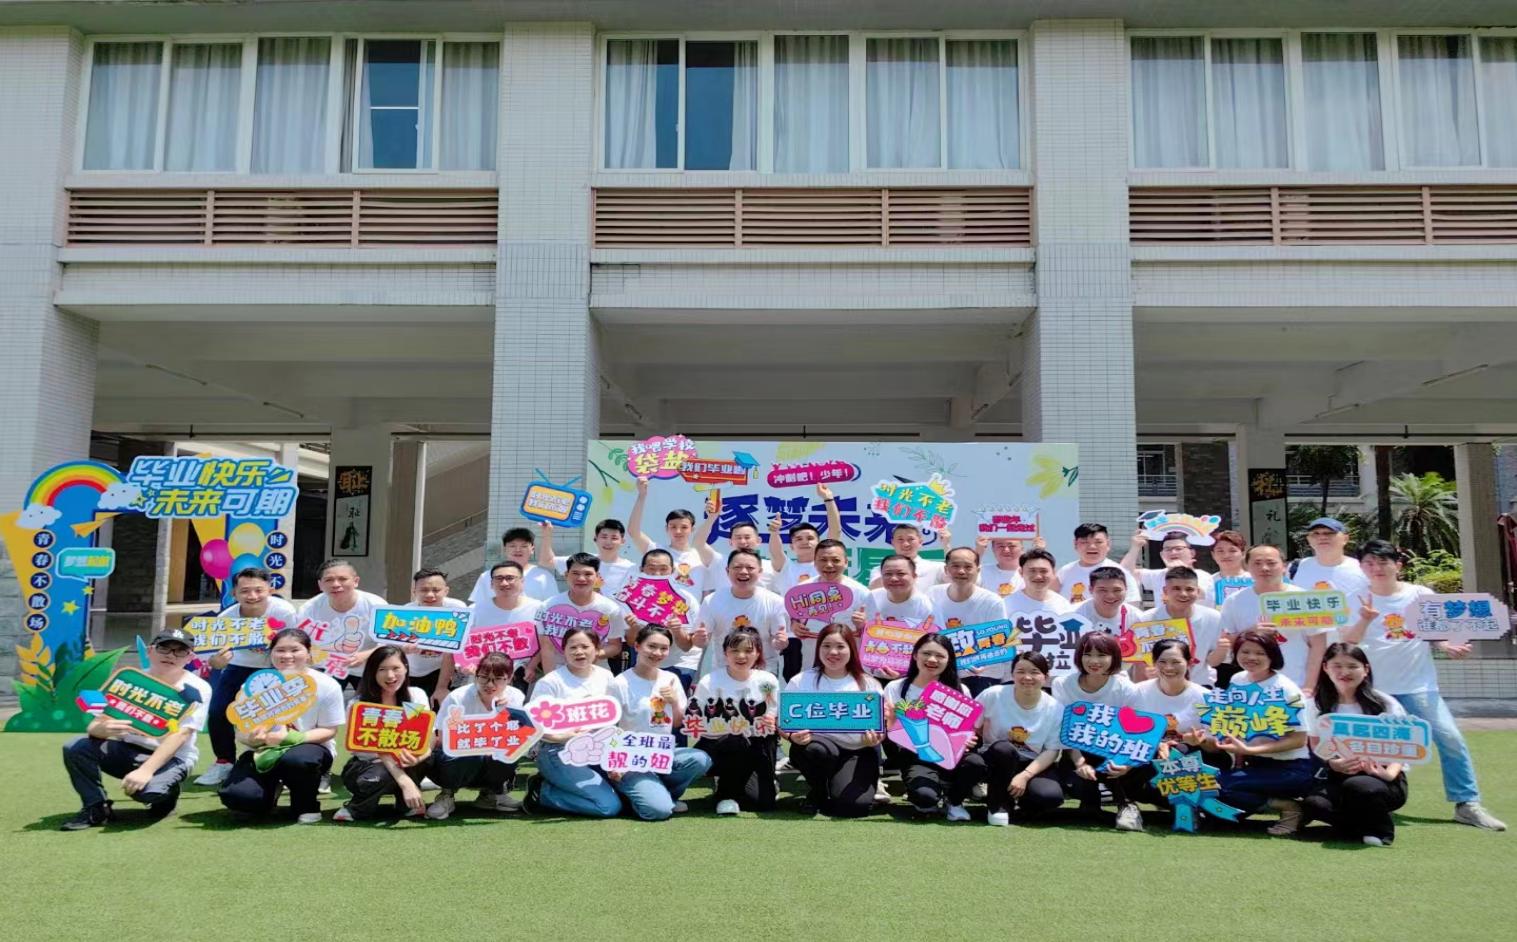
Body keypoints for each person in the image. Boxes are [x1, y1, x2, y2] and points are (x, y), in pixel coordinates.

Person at [1340, 540, 1505, 830]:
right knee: (1365, 747)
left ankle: (1467, 804)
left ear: (1398, 565)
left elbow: (1435, 632)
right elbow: (1348, 642)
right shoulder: (1354, 598)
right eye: (1369, 563)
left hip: (1418, 687)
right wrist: (1365, 619)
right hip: (1373, 690)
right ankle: (1364, 803)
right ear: (1362, 567)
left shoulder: (1420, 595)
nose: (1376, 568)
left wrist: (1447, 646)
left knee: (1450, 738)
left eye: (1383, 562)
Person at [60, 627, 211, 830]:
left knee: (148, 793)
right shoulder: (128, 680)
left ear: (190, 657)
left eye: (180, 651)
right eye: (164, 648)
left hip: (173, 757)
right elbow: (94, 726)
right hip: (128, 750)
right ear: (150, 651)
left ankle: (167, 795)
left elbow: (181, 735)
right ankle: (96, 807)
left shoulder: (197, 688)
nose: (171, 655)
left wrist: (146, 771)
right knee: (75, 747)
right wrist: (104, 729)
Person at [219, 627, 345, 824]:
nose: (287, 656)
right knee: (238, 797)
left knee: (297, 760)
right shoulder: (255, 684)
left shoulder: (327, 685)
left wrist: (291, 738)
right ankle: (269, 793)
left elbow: (329, 730)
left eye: (295, 650)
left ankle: (306, 805)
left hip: (309, 748)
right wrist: (252, 738)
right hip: (263, 751)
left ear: (309, 653)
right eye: (280, 650)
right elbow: (242, 730)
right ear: (271, 654)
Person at [1202, 630, 1313, 836]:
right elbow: (1238, 723)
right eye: (1245, 652)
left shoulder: (1287, 690)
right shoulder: (1238, 679)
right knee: (1207, 793)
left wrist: (1250, 750)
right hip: (1254, 765)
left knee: (1219, 786)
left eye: (1260, 653)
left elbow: (1299, 740)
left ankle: (1290, 808)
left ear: (1272, 656)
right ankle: (1274, 802)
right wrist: (1238, 757)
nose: (1251, 657)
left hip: (1291, 768)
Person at [195, 567, 299, 787]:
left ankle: (286, 762)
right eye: (245, 591)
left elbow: (297, 645)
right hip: (238, 666)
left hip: (276, 668)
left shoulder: (285, 612)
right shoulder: (226, 618)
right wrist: (217, 662)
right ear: (234, 593)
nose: (252, 596)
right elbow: (211, 659)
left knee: (284, 714)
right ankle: (224, 761)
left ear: (270, 589)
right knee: (218, 710)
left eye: (258, 590)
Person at [1301, 643, 1410, 846]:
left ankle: (1381, 833)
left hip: (1382, 777)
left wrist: (1388, 774)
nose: (1345, 672)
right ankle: (1356, 828)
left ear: (1365, 669)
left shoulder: (1385, 703)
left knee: (1359, 786)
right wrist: (1332, 763)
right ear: (1325, 668)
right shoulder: (1315, 705)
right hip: (1338, 775)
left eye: (1352, 666)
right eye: (1337, 666)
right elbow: (1315, 744)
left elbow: (1403, 745)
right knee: (1314, 804)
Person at [606, 624, 713, 820]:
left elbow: (677, 723)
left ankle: (664, 794)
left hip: (661, 754)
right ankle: (633, 796)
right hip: (631, 760)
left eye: (664, 648)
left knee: (700, 759)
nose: (657, 653)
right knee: (658, 811)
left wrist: (674, 702)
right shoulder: (619, 683)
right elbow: (610, 728)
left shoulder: (671, 679)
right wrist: (616, 763)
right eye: (652, 646)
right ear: (637, 646)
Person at [784, 624, 886, 818]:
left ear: (851, 649)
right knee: (814, 750)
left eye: (840, 646)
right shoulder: (801, 681)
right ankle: (818, 791)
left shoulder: (869, 683)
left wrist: (875, 738)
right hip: (820, 748)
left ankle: (837, 786)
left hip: (858, 751)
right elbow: (784, 722)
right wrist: (791, 735)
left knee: (854, 807)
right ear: (818, 648)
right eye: (826, 646)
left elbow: (880, 727)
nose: (833, 652)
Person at [523, 627, 621, 818]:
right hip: (559, 751)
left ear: (596, 649)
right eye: (573, 647)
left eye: (585, 646)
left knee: (627, 798)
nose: (579, 652)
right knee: (608, 807)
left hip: (598, 749)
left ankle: (558, 787)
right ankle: (542, 793)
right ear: (564, 650)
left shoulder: (606, 677)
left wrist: (615, 756)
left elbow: (614, 720)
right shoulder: (551, 682)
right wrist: (562, 736)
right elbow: (532, 725)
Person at [1052, 633, 1144, 831]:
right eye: (1088, 654)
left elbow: (1135, 733)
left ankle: (1127, 805)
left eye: (1102, 655)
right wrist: (1080, 762)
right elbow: (1063, 729)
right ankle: (1091, 801)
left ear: (1114, 657)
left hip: (1114, 754)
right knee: (1079, 785)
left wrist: (1126, 765)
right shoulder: (1062, 684)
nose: (1094, 661)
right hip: (1076, 753)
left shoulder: (1126, 689)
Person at [963, 651, 1066, 826]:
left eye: (1034, 672)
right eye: (1020, 671)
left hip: (1031, 763)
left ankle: (1023, 802)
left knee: (1049, 796)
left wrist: (1025, 776)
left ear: (1046, 677)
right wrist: (969, 738)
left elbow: (1052, 750)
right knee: (1003, 749)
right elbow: (968, 724)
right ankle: (998, 804)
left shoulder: (1055, 708)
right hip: (996, 758)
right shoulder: (993, 694)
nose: (1027, 677)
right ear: (1012, 674)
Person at [882, 632, 977, 819]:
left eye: (940, 656)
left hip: (950, 754)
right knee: (925, 798)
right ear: (915, 655)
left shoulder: (960, 690)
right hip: (915, 755)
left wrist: (969, 739)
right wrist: (891, 720)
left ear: (949, 660)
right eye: (926, 653)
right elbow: (891, 731)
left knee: (976, 763)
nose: (932, 660)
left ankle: (954, 800)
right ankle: (927, 792)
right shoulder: (896, 688)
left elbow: (967, 730)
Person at [689, 626, 781, 815]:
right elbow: (697, 719)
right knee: (736, 740)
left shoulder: (768, 681)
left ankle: (766, 781)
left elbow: (773, 713)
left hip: (756, 745)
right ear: (725, 653)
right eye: (734, 650)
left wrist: (771, 721)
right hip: (719, 744)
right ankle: (725, 794)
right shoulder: (709, 681)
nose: (741, 656)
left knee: (763, 803)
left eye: (748, 650)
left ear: (758, 653)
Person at [333, 645, 431, 822]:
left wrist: (417, 759)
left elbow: (427, 740)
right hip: (368, 765)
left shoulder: (416, 696)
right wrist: (404, 781)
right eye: (382, 669)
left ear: (406, 668)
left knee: (428, 759)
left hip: (406, 761)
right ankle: (358, 808)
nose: (390, 676)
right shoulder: (359, 704)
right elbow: (376, 748)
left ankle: (406, 804)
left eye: (396, 668)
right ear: (372, 672)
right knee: (383, 773)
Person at [427, 651, 526, 819]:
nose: (490, 684)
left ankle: (492, 793)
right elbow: (443, 739)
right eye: (484, 677)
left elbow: (517, 736)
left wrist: (504, 712)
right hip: (459, 756)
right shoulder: (457, 697)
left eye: (498, 679)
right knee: (458, 755)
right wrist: (476, 747)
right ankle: (447, 794)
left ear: (509, 678)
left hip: (491, 755)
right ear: (476, 676)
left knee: (509, 752)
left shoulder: (515, 697)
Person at [1218, 544, 1327, 693]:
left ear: (1284, 566)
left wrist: (1310, 685)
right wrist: (1251, 632)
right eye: (1257, 563)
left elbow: (1318, 645)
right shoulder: (1234, 601)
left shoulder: (1304, 598)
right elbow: (1226, 643)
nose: (1264, 568)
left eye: (1271, 563)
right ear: (1247, 566)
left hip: (1297, 683)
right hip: (1252, 686)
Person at [679, 549, 788, 675]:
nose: (743, 572)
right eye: (737, 567)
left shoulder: (776, 601)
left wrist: (781, 642)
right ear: (727, 571)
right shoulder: (712, 600)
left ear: (760, 572)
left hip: (763, 672)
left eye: (750, 568)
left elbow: (777, 642)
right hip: (723, 672)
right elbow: (700, 642)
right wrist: (699, 639)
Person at [1128, 638, 1209, 809]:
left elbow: (1217, 747)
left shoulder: (1204, 696)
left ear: (1189, 663)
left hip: (1190, 756)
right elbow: (1128, 732)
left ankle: (1185, 805)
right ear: (1154, 663)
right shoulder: (1138, 692)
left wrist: (1200, 741)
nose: (1169, 668)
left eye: (1176, 662)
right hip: (1150, 754)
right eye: (1162, 662)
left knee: (1182, 753)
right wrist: (1158, 745)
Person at [289, 558, 389, 688]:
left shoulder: (376, 605)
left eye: (342, 579)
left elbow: (389, 641)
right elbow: (301, 642)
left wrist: (367, 655)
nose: (336, 584)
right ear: (320, 585)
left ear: (355, 581)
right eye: (329, 580)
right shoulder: (309, 609)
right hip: (328, 666)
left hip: (368, 665)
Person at [927, 547, 1012, 695]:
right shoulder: (933, 594)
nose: (961, 571)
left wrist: (980, 663)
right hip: (942, 671)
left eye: (968, 567)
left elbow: (1000, 642)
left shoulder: (992, 601)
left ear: (978, 570)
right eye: (955, 566)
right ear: (946, 570)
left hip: (982, 674)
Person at [786, 538, 868, 680]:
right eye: (823, 560)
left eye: (835, 560)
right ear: (815, 562)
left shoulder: (862, 593)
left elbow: (873, 633)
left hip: (849, 666)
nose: (829, 565)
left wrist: (863, 625)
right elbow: (791, 620)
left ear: (846, 562)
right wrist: (794, 625)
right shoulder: (800, 591)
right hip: (811, 660)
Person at [532, 553, 624, 679]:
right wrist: (550, 679)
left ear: (597, 577)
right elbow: (547, 648)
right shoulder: (548, 606)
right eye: (575, 573)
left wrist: (592, 654)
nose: (581, 578)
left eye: (588, 574)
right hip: (559, 672)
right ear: (566, 575)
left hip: (596, 673)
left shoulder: (610, 609)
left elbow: (615, 646)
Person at [625, 549, 702, 691]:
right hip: (645, 658)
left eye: (663, 569)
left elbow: (686, 646)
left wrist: (677, 630)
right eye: (651, 569)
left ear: (672, 571)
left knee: (672, 701)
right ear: (642, 570)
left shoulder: (685, 600)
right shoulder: (631, 598)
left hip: (679, 662)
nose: (657, 574)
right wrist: (634, 627)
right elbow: (631, 642)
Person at [1139, 566, 1227, 687]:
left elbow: (1212, 662)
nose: (1183, 594)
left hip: (1200, 685)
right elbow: (1141, 663)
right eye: (1176, 588)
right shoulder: (1146, 619)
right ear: (1165, 591)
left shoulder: (1213, 618)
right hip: (1159, 686)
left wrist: (1222, 649)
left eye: (1189, 589)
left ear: (1198, 591)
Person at [466, 560, 545, 687]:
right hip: (482, 674)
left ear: (522, 582)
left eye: (510, 578)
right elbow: (463, 644)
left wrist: (532, 666)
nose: (504, 583)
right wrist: (466, 665)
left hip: (522, 674)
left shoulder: (539, 608)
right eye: (499, 578)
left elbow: (545, 642)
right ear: (491, 584)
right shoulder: (474, 610)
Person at [628, 476, 708, 593]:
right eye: (673, 527)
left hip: (691, 605)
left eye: (684, 527)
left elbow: (706, 591)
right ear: (666, 529)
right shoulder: (656, 550)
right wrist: (642, 495)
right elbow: (633, 531)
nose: (678, 531)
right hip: (660, 604)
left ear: (692, 529)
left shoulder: (701, 556)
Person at [768, 484, 845, 595]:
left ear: (819, 543)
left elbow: (835, 531)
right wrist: (774, 532)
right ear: (791, 546)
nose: (805, 542)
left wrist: (828, 499)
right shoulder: (785, 567)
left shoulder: (828, 566)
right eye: (799, 539)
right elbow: (775, 552)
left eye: (810, 538)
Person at [538, 518, 635, 598]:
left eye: (614, 538)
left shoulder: (631, 569)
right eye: (604, 537)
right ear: (595, 538)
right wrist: (547, 534)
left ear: (622, 541)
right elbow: (546, 561)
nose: (608, 542)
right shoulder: (583, 561)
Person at [1122, 529, 1218, 609]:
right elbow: (1125, 573)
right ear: (1162, 555)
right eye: (1167, 549)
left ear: (1192, 553)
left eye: (1178, 548)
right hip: (1165, 625)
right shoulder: (1158, 575)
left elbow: (1202, 597)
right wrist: (1135, 547)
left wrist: (1181, 573)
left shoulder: (1203, 576)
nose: (1173, 552)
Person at [468, 527, 558, 605]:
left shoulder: (544, 577)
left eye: (524, 546)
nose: (518, 550)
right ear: (504, 549)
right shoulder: (487, 576)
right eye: (512, 546)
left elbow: (552, 607)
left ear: (532, 549)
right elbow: (477, 607)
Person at [1055, 523, 1141, 605]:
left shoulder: (1119, 572)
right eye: (1084, 542)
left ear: (1108, 544)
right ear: (1075, 544)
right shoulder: (1064, 571)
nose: (1092, 547)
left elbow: (1131, 605)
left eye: (1098, 542)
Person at [1290, 517, 1370, 600]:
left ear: (1345, 539)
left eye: (1329, 533)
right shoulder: (1296, 567)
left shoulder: (1364, 569)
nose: (1322, 537)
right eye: (1316, 533)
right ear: (1309, 539)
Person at [698, 517, 777, 594]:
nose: (742, 542)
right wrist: (711, 518)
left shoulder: (771, 566)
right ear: (730, 542)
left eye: (747, 537)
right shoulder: (719, 561)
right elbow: (699, 543)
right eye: (738, 538)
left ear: (758, 541)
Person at [868, 524, 947, 591]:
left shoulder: (936, 568)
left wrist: (946, 545)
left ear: (920, 542)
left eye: (911, 539)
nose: (906, 544)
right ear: (893, 543)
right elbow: (873, 592)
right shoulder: (880, 570)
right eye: (900, 539)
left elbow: (952, 580)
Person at [1074, 565, 1145, 637]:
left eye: (1117, 590)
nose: (1110, 596)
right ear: (1090, 590)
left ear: (1126, 589)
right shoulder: (1075, 615)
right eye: (1102, 590)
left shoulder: (1137, 618)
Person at [1002, 549, 1074, 620]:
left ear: (1054, 572)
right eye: (1032, 571)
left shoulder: (1062, 604)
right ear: (1021, 572)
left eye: (1043, 571)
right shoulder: (1006, 604)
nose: (1038, 576)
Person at [1209, 529, 1253, 607]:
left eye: (1232, 551)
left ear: (1243, 553)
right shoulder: (1208, 583)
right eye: (1220, 551)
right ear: (1213, 555)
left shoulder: (1254, 580)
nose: (1226, 555)